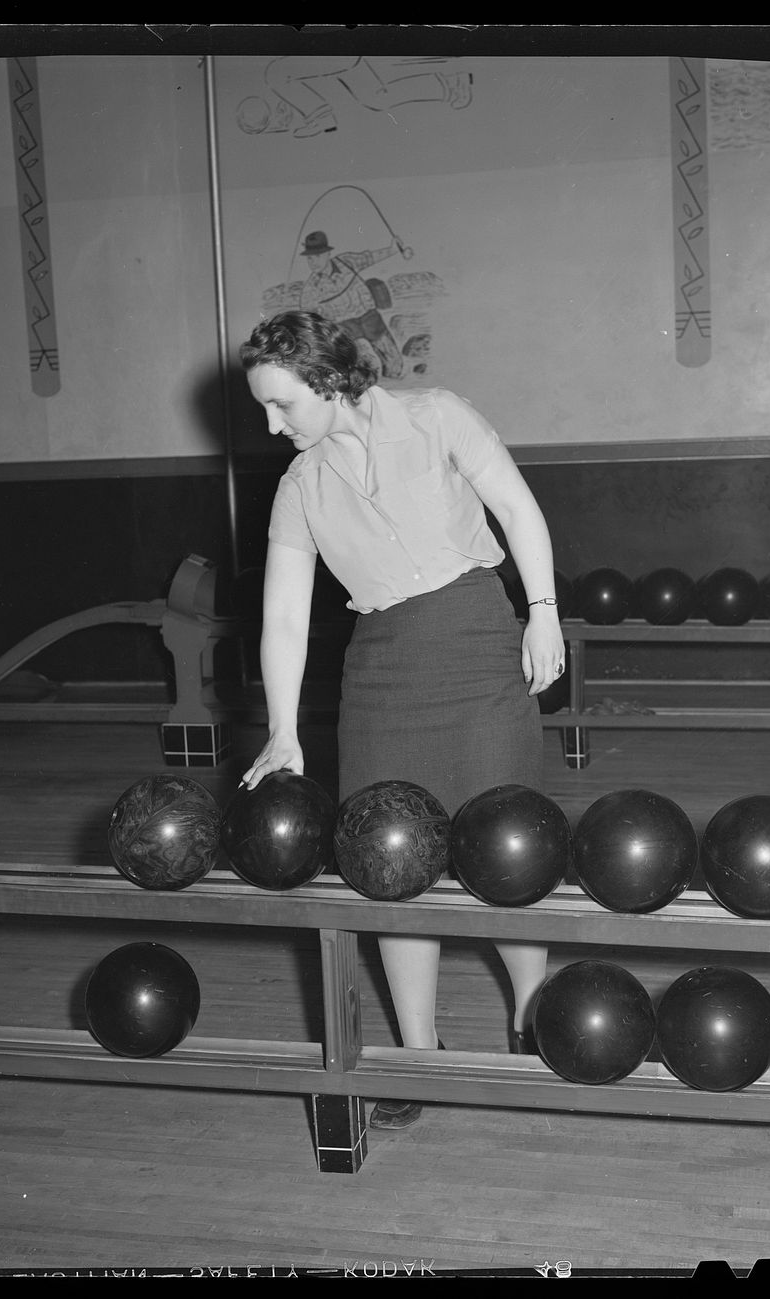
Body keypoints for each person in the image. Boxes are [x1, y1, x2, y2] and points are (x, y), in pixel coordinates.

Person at [239, 310, 566, 1130]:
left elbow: (518, 511)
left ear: (325, 382)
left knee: (508, 848)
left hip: (476, 643)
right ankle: (418, 1054)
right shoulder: (298, 487)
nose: (271, 424)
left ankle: (535, 1013)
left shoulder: (437, 414)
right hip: (383, 667)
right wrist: (285, 728)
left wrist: (544, 612)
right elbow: (281, 617)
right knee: (390, 864)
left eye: (280, 405)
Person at [298, 231, 407, 380]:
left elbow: (370, 258)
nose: (313, 262)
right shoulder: (310, 289)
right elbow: (307, 319)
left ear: (328, 254)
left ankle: (393, 377)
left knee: (395, 366)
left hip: (369, 317)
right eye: (309, 258)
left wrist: (394, 249)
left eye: (317, 256)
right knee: (360, 368)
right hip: (346, 327)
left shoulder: (347, 262)